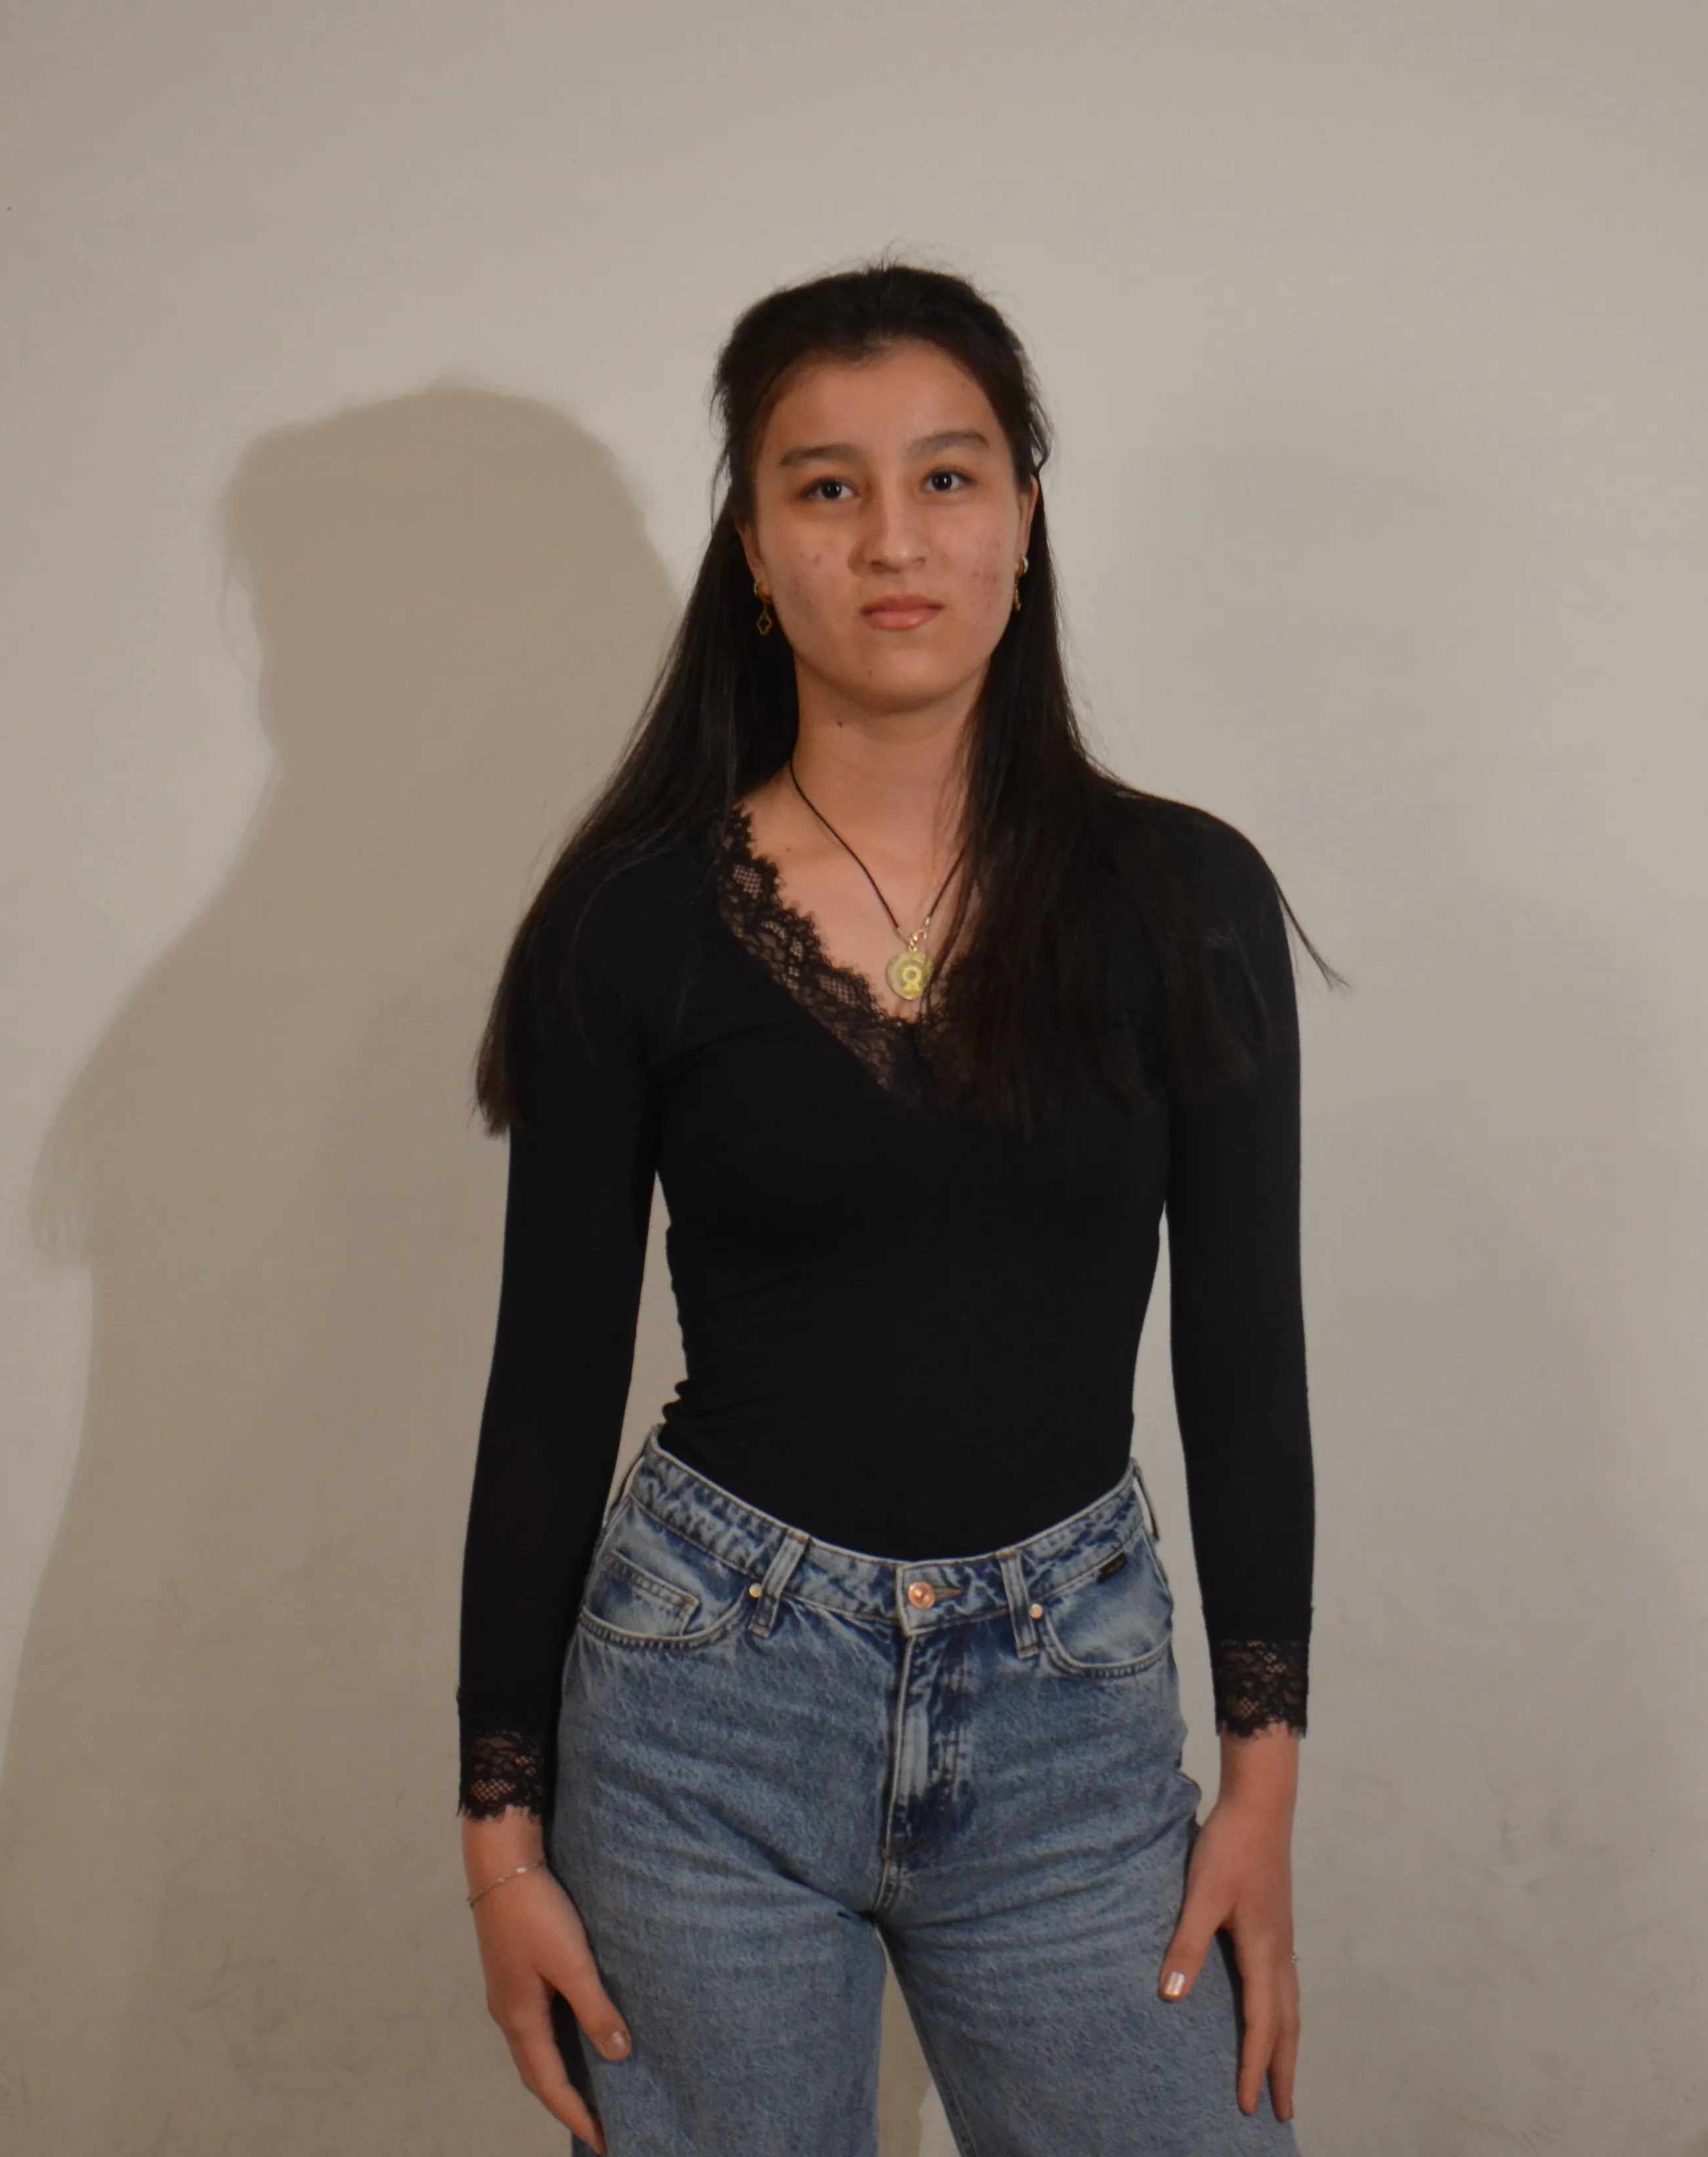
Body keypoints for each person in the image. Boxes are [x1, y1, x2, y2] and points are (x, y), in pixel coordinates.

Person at [455, 261, 1316, 2154]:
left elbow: (1247, 1365)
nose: (894, 540)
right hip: (702, 1724)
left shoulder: (1186, 902)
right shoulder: (628, 923)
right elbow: (549, 1388)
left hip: (1072, 1726)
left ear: (1026, 515)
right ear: (752, 551)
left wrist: (1260, 1791)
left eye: (948, 476)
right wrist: (500, 1842)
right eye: (826, 487)